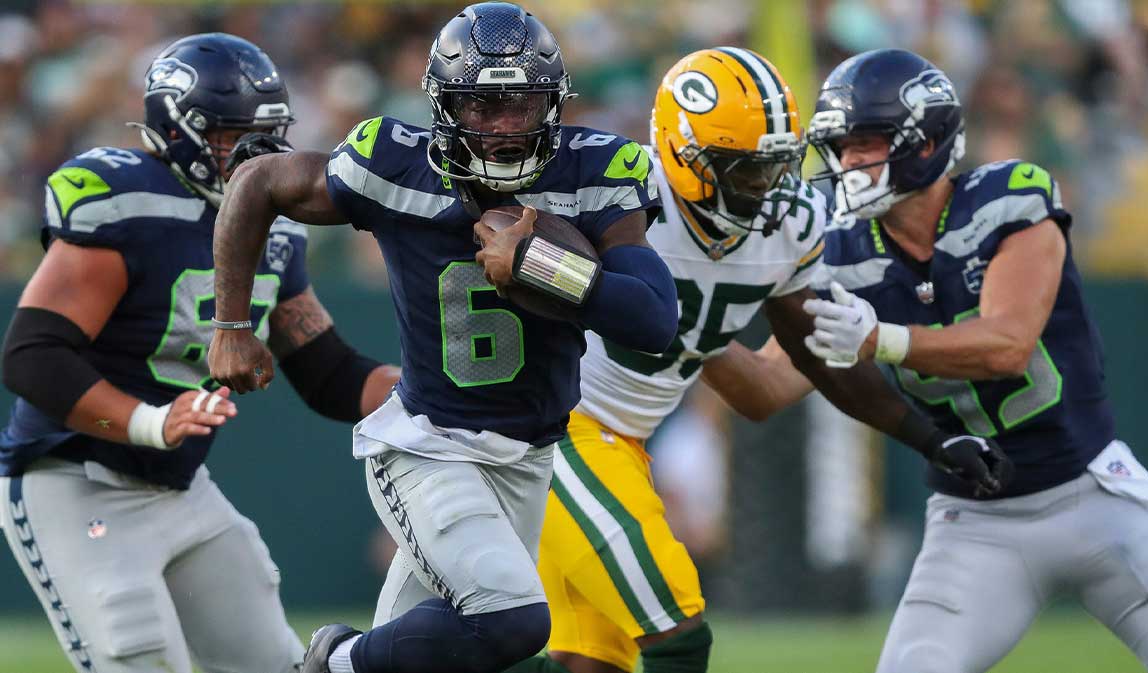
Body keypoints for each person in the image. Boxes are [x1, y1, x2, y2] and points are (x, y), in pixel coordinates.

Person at [206, 4, 679, 673]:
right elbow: (257, 181)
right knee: (514, 619)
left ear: (553, 103)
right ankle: (333, 660)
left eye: (521, 105)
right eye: (483, 106)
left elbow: (656, 320)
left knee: (445, 656)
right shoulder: (395, 164)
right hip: (429, 446)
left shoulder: (595, 172)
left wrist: (544, 267)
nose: (505, 128)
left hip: (529, 456)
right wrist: (230, 325)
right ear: (444, 106)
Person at [508, 47, 1013, 673]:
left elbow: (807, 363)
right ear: (685, 155)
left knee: (591, 666)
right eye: (745, 171)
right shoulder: (616, 191)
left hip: (624, 444)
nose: (767, 189)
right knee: (678, 633)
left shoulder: (790, 224)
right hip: (556, 432)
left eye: (776, 167)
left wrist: (931, 439)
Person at [0, 33, 400, 673]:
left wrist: (429, 394)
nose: (252, 154)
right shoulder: (123, 200)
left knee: (272, 662)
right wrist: (150, 421)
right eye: (230, 135)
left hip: (180, 487)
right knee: (140, 655)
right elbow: (32, 356)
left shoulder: (275, 225)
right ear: (177, 131)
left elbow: (328, 373)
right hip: (75, 479)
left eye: (266, 134)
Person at [801, 48, 1148, 673]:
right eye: (843, 146)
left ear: (925, 142)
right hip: (973, 524)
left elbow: (1007, 344)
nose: (848, 161)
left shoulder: (1008, 198)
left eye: (866, 143)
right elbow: (768, 382)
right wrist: (698, 317)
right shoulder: (841, 253)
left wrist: (883, 338)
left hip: (1093, 495)